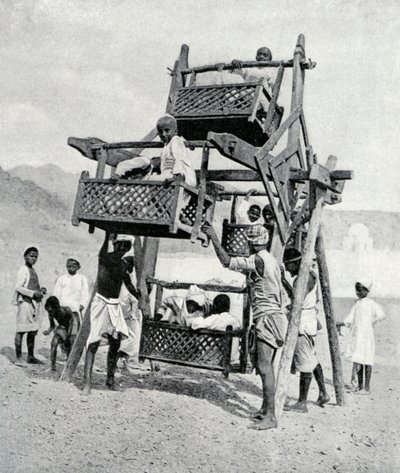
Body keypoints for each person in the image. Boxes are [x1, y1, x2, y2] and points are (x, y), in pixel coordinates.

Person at [203, 222, 286, 430]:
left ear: (251, 243)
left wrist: (213, 236)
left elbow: (226, 261)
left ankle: (271, 416)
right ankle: (265, 410)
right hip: (271, 316)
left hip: (267, 317)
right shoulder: (269, 260)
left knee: (265, 367)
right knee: (261, 363)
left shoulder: (258, 259)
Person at [82, 234, 140, 395]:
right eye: (120, 244)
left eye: (126, 246)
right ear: (114, 244)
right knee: (93, 342)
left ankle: (110, 380)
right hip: (101, 302)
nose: (122, 248)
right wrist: (108, 233)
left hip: (114, 305)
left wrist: (139, 296)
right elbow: (104, 246)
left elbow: (128, 284)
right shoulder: (105, 258)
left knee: (116, 342)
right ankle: (87, 384)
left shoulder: (123, 264)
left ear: (128, 249)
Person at [282, 248, 330, 413]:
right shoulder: (310, 275)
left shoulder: (304, 278)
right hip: (309, 322)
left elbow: (296, 299)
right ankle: (323, 392)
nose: (287, 269)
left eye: (287, 265)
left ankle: (302, 403)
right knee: (312, 358)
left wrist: (283, 282)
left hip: (303, 323)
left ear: (295, 263)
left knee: (305, 362)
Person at [339, 278, 385, 395]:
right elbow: (350, 317)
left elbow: (381, 315)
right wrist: (343, 323)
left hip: (367, 336)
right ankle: (359, 386)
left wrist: (371, 322)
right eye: (356, 290)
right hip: (357, 336)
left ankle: (366, 388)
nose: (358, 292)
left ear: (366, 290)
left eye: (360, 290)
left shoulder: (371, 303)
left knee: (367, 361)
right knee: (358, 360)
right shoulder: (357, 304)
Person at [13, 247, 47, 364]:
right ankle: (18, 358)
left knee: (32, 330)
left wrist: (41, 290)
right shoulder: (23, 270)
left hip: (34, 304)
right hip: (25, 303)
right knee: (21, 330)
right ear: (25, 256)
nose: (34, 258)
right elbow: (18, 287)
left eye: (36, 257)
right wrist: (33, 293)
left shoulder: (33, 270)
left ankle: (30, 357)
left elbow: (34, 285)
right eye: (31, 256)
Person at [117, 256, 143, 372]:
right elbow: (131, 292)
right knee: (133, 336)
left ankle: (123, 361)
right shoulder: (125, 276)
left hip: (128, 310)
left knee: (131, 336)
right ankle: (120, 358)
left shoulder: (128, 276)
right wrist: (138, 297)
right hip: (127, 311)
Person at [43, 296, 78, 372]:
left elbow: (71, 323)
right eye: (48, 311)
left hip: (72, 326)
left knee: (68, 345)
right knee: (53, 343)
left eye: (50, 311)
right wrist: (48, 331)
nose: (49, 313)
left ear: (56, 307)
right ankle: (52, 367)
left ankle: (69, 367)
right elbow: (52, 325)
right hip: (62, 326)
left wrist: (67, 337)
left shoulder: (66, 310)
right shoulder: (51, 314)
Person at [52, 257, 89, 325]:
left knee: (75, 327)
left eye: (74, 266)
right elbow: (56, 294)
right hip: (62, 308)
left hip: (75, 308)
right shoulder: (61, 279)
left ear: (78, 267)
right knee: (62, 327)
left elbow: (85, 293)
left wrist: (82, 304)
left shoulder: (82, 278)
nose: (71, 268)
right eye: (69, 266)